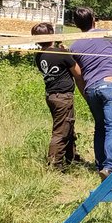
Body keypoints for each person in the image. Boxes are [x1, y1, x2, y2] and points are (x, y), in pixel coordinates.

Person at [69, 7, 112, 179]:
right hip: (109, 85)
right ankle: (110, 168)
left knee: (100, 127)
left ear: (77, 24)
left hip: (91, 89)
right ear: (94, 20)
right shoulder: (107, 35)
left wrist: (86, 94)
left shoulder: (75, 45)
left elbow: (78, 76)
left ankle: (100, 165)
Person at [32, 22, 84, 167]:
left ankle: (71, 157)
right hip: (63, 97)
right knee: (61, 132)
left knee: (68, 127)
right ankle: (55, 164)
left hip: (51, 96)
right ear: (51, 35)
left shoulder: (39, 55)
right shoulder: (60, 53)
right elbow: (78, 73)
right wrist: (67, 53)